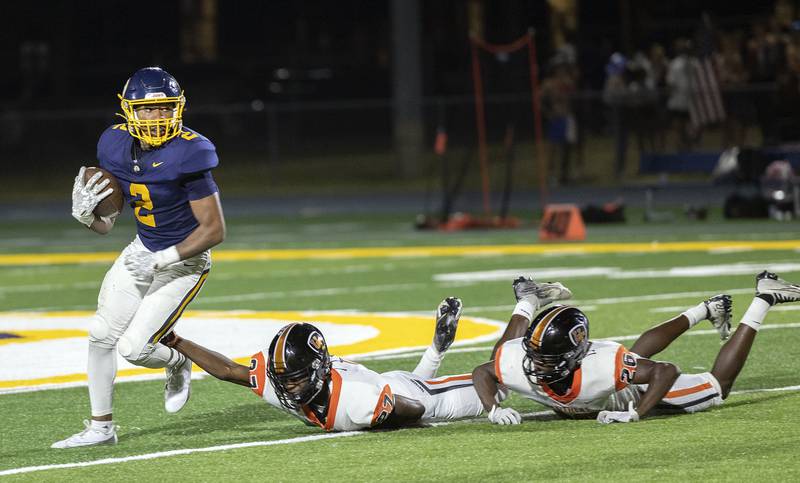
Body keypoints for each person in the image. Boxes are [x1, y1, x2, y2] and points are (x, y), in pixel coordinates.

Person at [53, 67, 226, 448]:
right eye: (146, 110)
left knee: (136, 348)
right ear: (128, 110)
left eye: (164, 109)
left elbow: (214, 230)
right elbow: (107, 225)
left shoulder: (191, 151)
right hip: (141, 250)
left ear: (177, 109)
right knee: (101, 335)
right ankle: (101, 428)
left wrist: (163, 258)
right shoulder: (112, 144)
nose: (155, 117)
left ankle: (178, 361)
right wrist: (88, 218)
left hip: (183, 260)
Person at [161, 287, 570, 432]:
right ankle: (437, 348)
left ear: (319, 370)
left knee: (502, 375)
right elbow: (229, 369)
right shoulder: (281, 380)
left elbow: (414, 407)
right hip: (384, 384)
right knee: (407, 383)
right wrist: (175, 338)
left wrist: (484, 407)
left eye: (296, 378)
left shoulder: (355, 401)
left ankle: (526, 299)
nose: (288, 387)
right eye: (284, 378)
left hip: (415, 397)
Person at [472, 271, 799, 425]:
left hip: (635, 392)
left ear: (574, 356)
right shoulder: (519, 360)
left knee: (717, 387)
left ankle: (764, 298)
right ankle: (706, 309)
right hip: (606, 383)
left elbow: (666, 371)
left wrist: (636, 413)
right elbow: (483, 372)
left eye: (548, 359)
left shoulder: (603, 367)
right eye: (535, 355)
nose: (536, 366)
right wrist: (493, 408)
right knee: (633, 356)